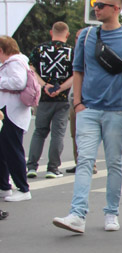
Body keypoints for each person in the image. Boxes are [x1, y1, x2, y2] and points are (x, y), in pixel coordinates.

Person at [53, 0, 122, 234]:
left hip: (117, 110)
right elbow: (78, 71)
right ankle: (77, 214)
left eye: (102, 5)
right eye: (96, 4)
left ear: (116, 9)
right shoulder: (86, 36)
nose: (97, 8)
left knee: (114, 163)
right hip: (88, 109)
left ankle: (111, 213)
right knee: (84, 161)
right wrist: (78, 104)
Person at [26, 21, 73, 178]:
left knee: (39, 132)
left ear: (51, 33)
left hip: (44, 98)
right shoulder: (72, 52)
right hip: (62, 98)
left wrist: (45, 85)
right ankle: (52, 168)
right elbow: (76, 74)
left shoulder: (39, 50)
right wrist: (60, 88)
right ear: (67, 34)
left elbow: (31, 69)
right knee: (58, 134)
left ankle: (31, 166)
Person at [0, 36, 33, 201]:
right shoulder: (17, 61)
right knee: (4, 150)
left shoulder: (14, 63)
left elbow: (18, 83)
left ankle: (23, 188)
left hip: (12, 112)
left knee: (13, 150)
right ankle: (4, 186)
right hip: (10, 111)